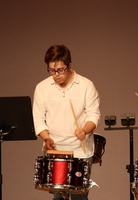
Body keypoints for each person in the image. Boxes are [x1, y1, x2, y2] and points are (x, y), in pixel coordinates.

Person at [33, 44, 100, 200]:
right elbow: (38, 118)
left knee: (80, 197)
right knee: (58, 198)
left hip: (81, 152)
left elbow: (93, 115)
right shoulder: (42, 88)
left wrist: (85, 130)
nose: (57, 75)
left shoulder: (86, 85)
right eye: (52, 70)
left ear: (69, 65)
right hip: (56, 151)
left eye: (61, 70)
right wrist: (46, 138)